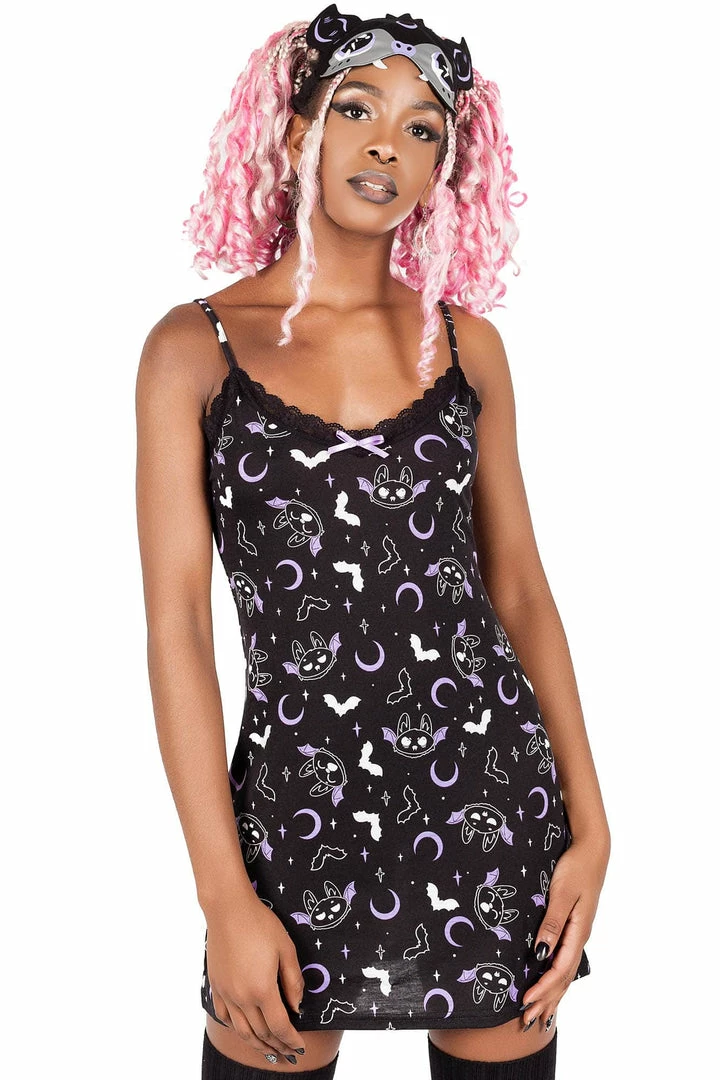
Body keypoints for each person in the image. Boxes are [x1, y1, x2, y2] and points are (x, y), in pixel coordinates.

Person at [135, 6, 611, 1079]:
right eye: (356, 109)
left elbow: (520, 593)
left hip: (490, 799)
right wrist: (222, 895)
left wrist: (593, 825)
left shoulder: (469, 346)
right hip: (292, 816)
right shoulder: (193, 350)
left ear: (444, 170)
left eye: (422, 128)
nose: (387, 144)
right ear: (295, 131)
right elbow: (177, 630)